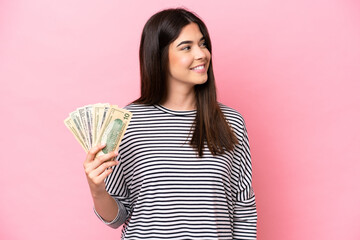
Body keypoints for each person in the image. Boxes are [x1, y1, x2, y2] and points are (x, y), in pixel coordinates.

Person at [83, 8, 257, 239]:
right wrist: (97, 190)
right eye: (186, 47)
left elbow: (243, 210)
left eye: (203, 44)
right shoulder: (125, 123)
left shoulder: (231, 122)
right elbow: (118, 217)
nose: (202, 54)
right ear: (159, 55)